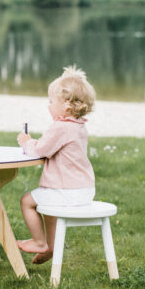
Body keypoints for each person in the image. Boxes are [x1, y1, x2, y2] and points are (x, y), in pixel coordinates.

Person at [16, 66, 97, 265]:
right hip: (84, 190)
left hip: (67, 191)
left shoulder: (61, 127)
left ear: (67, 105)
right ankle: (50, 247)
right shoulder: (78, 125)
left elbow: (40, 150)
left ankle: (39, 241)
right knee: (48, 207)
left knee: (27, 201)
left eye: (51, 101)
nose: (48, 106)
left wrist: (26, 141)